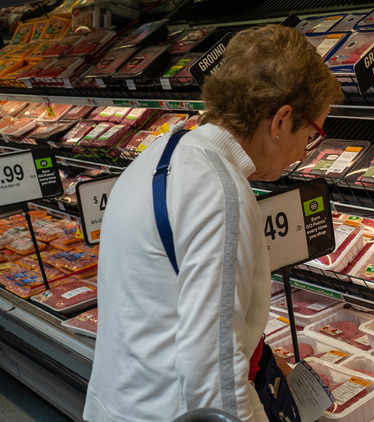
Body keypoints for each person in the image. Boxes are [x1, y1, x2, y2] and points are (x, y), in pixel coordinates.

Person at [83, 24, 343, 422]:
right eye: (312, 134)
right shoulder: (221, 195)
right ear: (281, 120)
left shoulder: (167, 149)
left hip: (122, 401)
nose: (302, 154)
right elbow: (212, 375)